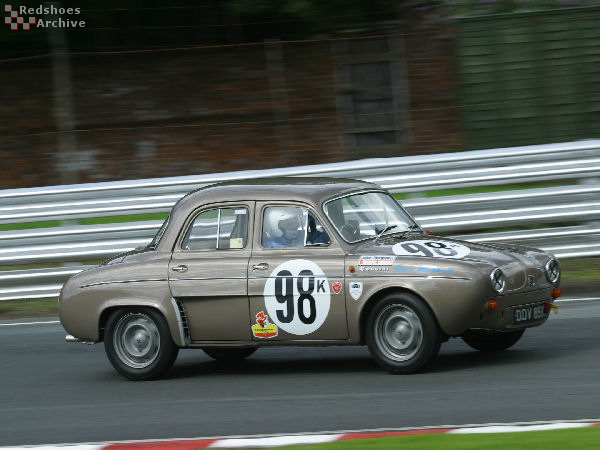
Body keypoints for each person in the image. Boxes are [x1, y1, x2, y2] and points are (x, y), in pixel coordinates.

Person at [263, 207, 329, 248]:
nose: (293, 222)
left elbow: (323, 239)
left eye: (295, 218)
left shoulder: (306, 235)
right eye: (287, 220)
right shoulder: (271, 242)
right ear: (277, 224)